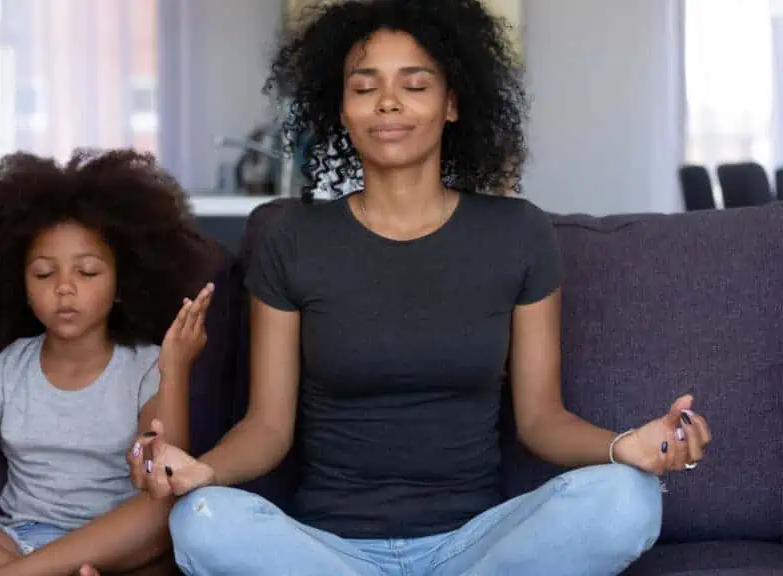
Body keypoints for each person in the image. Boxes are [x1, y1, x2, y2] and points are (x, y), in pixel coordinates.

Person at [130, 1, 714, 575]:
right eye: (364, 87)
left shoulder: (518, 232)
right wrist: (203, 471)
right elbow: (266, 428)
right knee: (201, 518)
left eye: (414, 84)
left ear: (452, 102)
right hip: (327, 550)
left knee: (627, 499)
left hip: (477, 545)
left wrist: (628, 447)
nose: (388, 102)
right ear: (341, 108)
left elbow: (541, 419)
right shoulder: (294, 238)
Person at [0, 148, 216, 576]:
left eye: (87, 272)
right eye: (45, 274)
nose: (64, 288)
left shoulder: (147, 365)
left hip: (112, 546)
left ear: (122, 284)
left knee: (164, 506)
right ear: (22, 286)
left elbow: (163, 470)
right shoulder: (3, 373)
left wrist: (174, 370)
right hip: (18, 541)